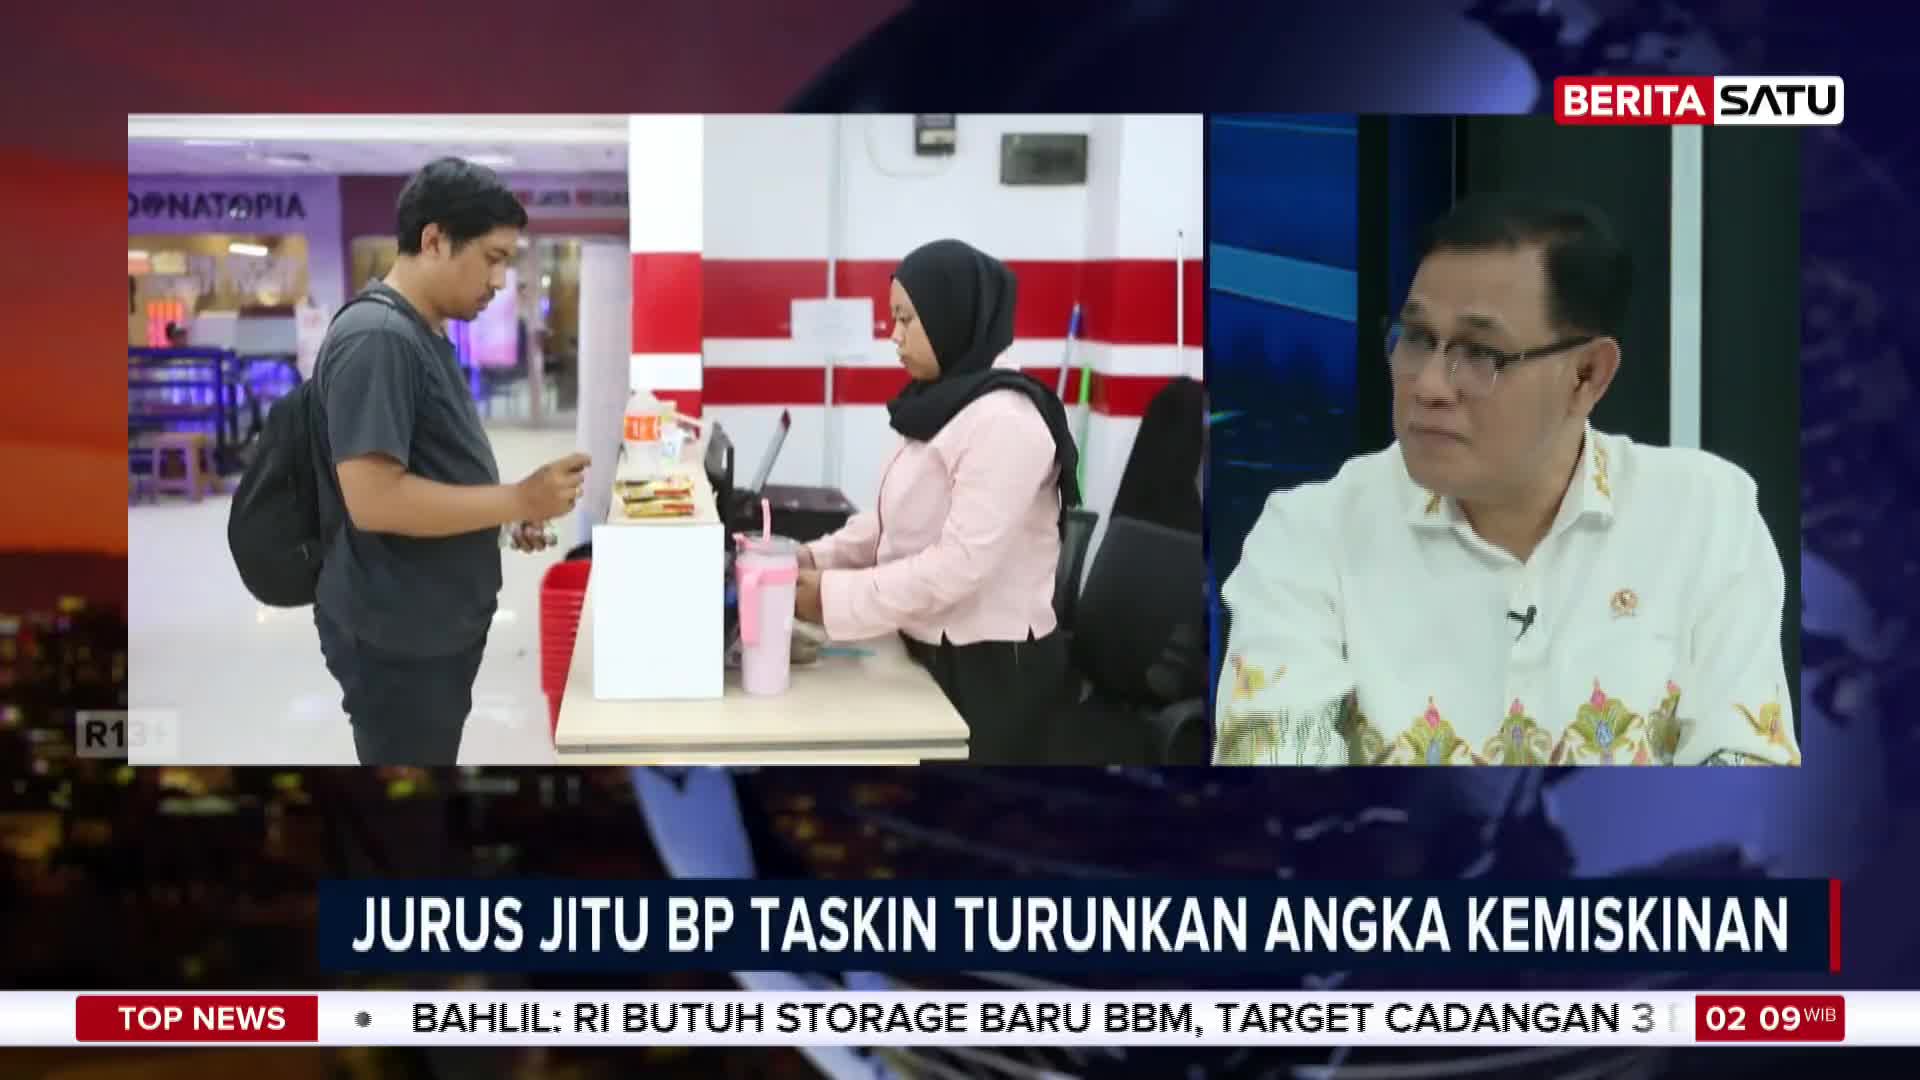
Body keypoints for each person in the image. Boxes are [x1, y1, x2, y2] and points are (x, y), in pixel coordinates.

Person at [1214, 193, 1798, 768]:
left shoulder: (1704, 515)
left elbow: (1747, 789)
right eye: (1416, 340)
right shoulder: (1308, 537)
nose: (1429, 386)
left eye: (1481, 353)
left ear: (1587, 375)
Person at [313, 158, 590, 766]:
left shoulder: (423, 330)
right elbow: (375, 499)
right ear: (434, 240)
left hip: (428, 622)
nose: (499, 280)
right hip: (397, 637)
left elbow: (429, 468)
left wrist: (498, 514)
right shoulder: (379, 337)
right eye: (492, 258)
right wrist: (518, 497)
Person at [792, 238, 1081, 764]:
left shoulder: (1007, 422)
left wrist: (830, 597)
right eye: (892, 320)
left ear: (952, 315)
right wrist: (813, 558)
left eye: (906, 319)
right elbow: (892, 523)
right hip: (928, 642)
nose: (894, 337)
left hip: (989, 671)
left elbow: (958, 566)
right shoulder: (943, 403)